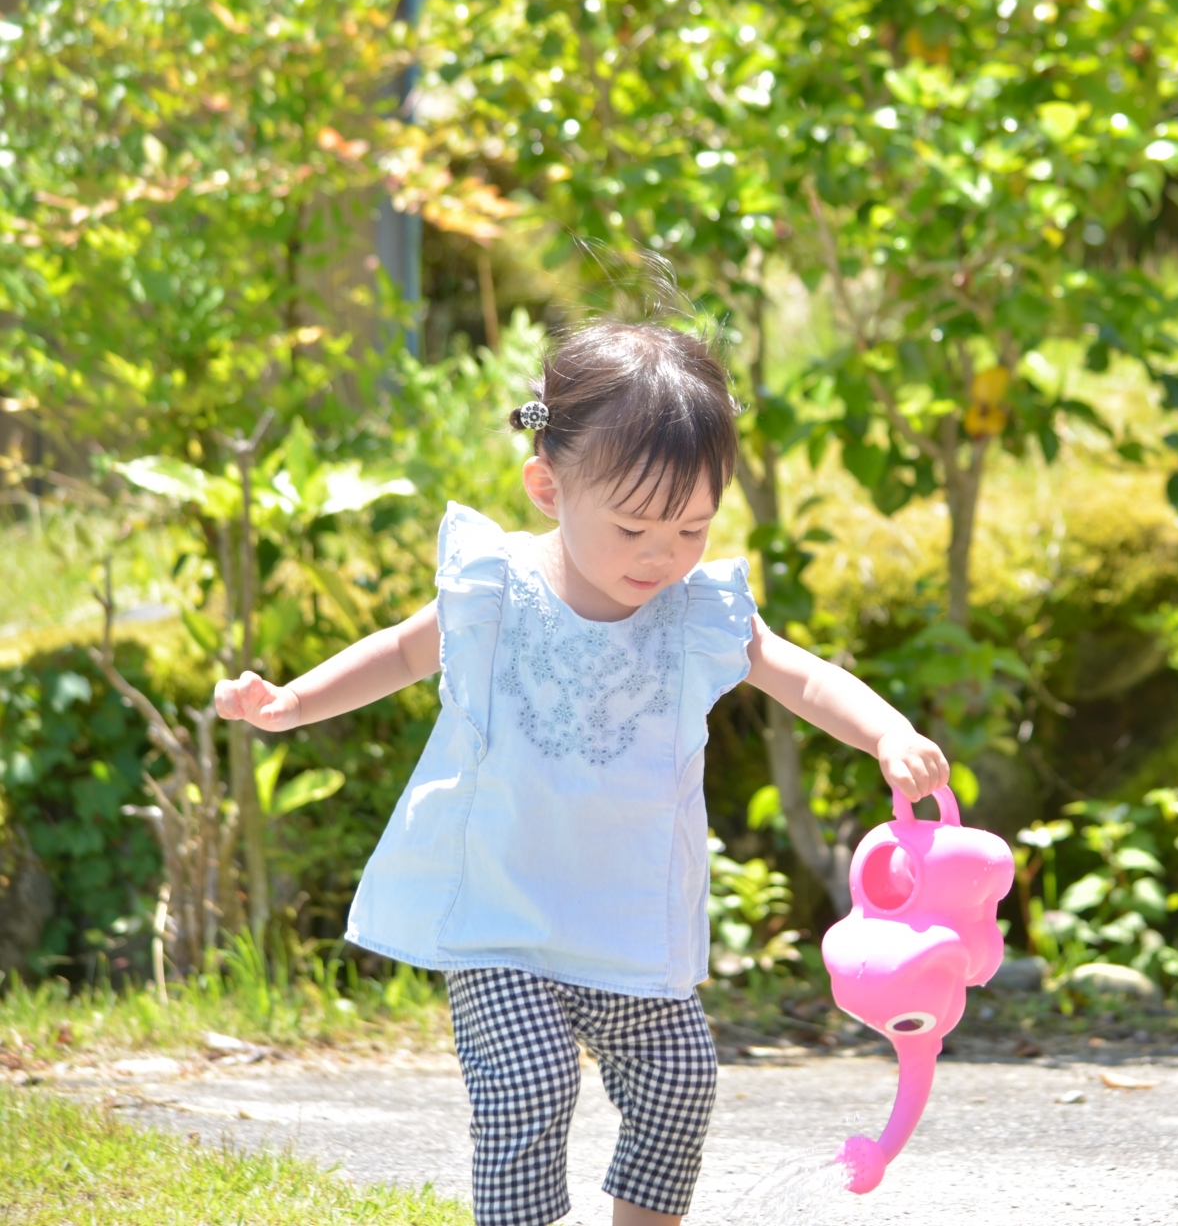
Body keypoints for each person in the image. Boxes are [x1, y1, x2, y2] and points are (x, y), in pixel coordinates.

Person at [215, 319, 949, 1226]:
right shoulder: (498, 586)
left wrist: (886, 731)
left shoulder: (695, 612)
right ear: (547, 485)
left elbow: (799, 672)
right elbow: (400, 653)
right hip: (504, 916)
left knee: (681, 1086)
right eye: (634, 525)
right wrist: (291, 701)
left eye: (692, 525)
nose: (662, 555)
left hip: (633, 923)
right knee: (528, 1086)